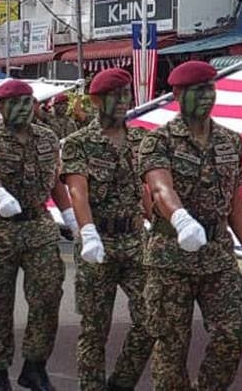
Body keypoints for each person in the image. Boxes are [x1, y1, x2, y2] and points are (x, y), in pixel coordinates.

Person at [138, 61, 242, 390]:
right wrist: (180, 219)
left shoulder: (231, 142)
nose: (207, 96)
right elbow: (161, 189)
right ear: (178, 94)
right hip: (170, 256)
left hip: (218, 254)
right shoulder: (157, 141)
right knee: (171, 345)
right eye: (198, 90)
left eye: (210, 88)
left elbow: (235, 203)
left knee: (233, 333)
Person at [0, 80, 78, 391]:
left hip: (38, 227)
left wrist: (70, 216)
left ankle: (35, 365)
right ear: (0, 108)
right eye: (14, 103)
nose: (22, 108)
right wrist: (0, 195)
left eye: (27, 102)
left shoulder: (47, 138)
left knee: (48, 295)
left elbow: (55, 179)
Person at [61, 68, 154, 391]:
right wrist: (86, 232)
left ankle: (121, 383)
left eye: (126, 94)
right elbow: (78, 192)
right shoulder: (78, 143)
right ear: (96, 100)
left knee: (152, 317)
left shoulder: (142, 139)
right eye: (115, 95)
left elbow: (148, 188)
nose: (122, 101)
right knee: (94, 328)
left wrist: (159, 221)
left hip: (133, 241)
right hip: (97, 241)